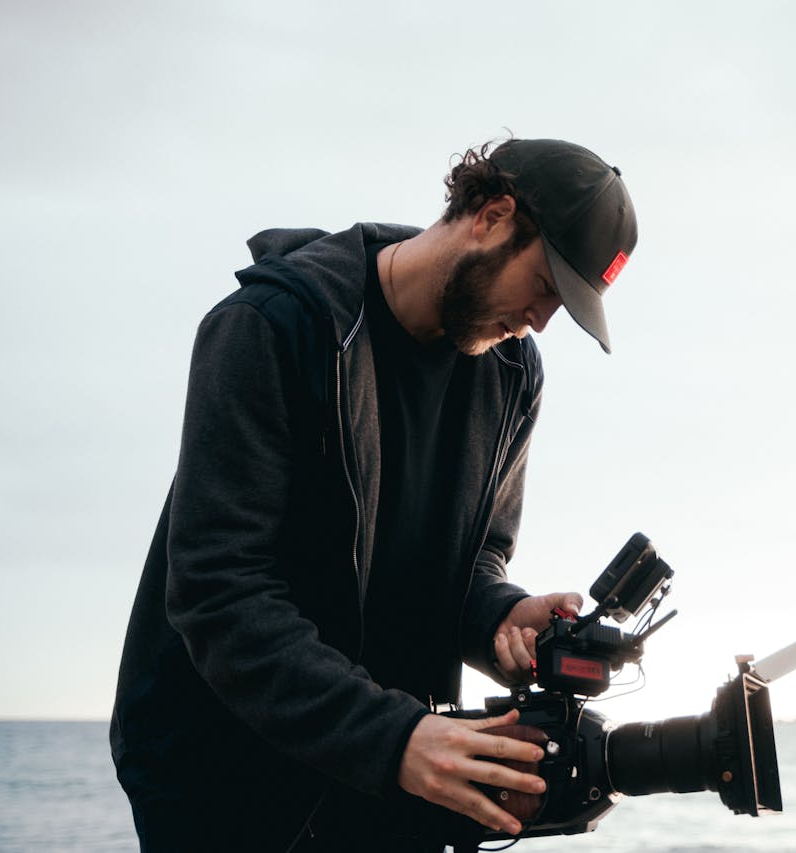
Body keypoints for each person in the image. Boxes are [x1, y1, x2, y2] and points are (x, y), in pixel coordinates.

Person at [110, 138, 639, 852]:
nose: (540, 320)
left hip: (388, 778)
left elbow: (473, 559)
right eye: (545, 286)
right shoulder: (271, 327)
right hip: (221, 774)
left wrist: (503, 616)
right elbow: (218, 593)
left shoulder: (512, 374)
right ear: (492, 216)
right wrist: (395, 739)